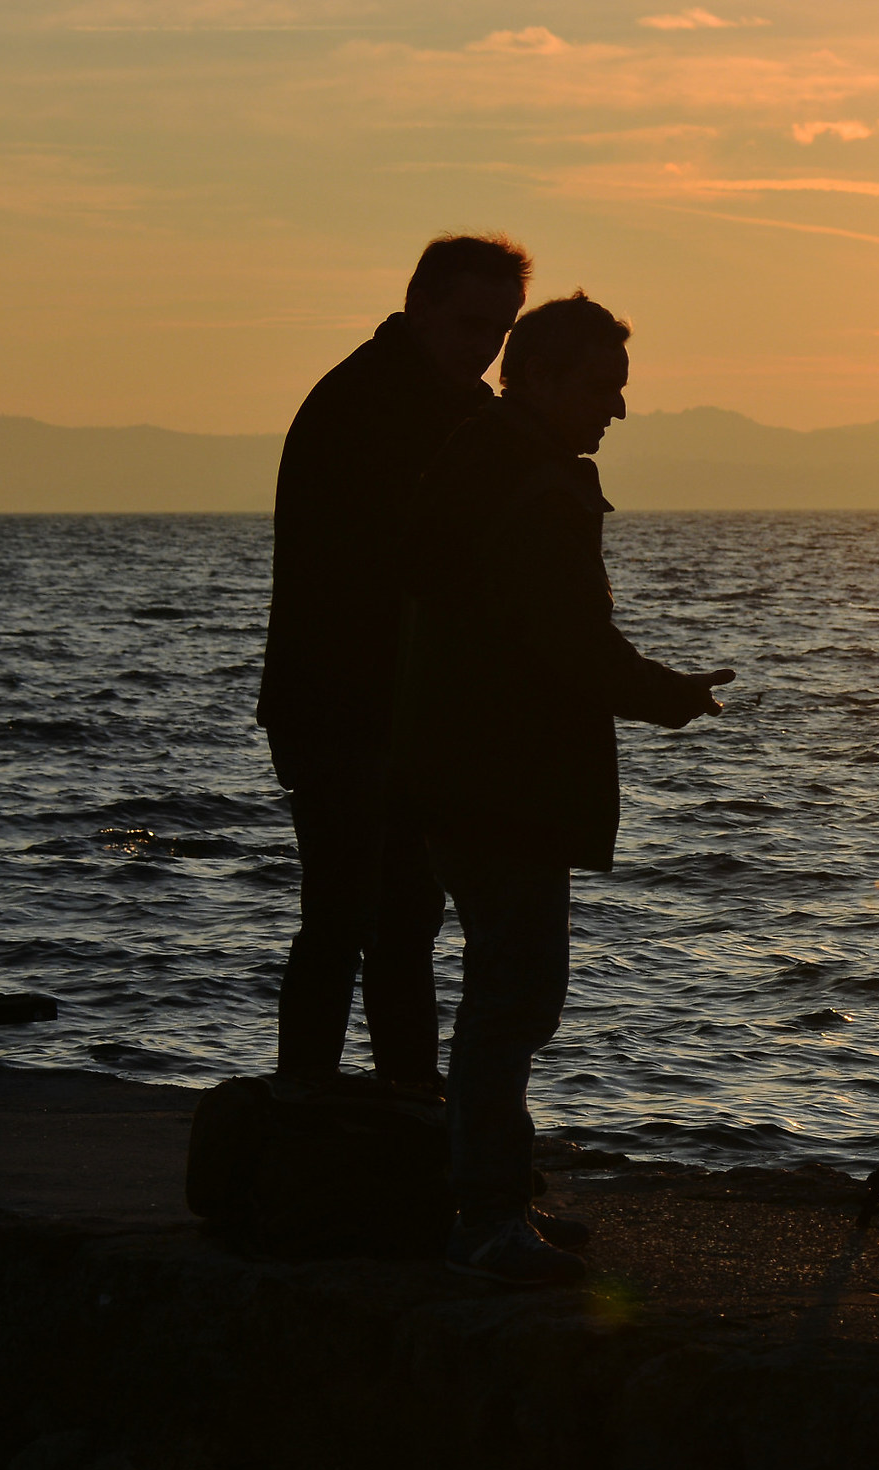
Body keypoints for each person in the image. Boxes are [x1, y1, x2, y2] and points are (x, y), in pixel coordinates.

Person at [394, 291, 735, 1286]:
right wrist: (668, 698)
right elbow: (574, 646)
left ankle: (494, 1189)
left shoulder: (475, 461)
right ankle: (490, 1217)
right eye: (601, 386)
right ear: (540, 377)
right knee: (514, 999)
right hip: (506, 787)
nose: (615, 411)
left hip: (456, 776)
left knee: (500, 995)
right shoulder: (535, 488)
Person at [258, 234, 532, 1093]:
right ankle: (322, 1117)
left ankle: (397, 1122)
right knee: (348, 922)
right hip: (345, 708)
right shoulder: (368, 408)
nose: (484, 345)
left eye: (500, 330)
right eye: (469, 323)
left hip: (393, 709)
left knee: (398, 927)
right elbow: (386, 571)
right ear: (419, 308)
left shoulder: (441, 406)